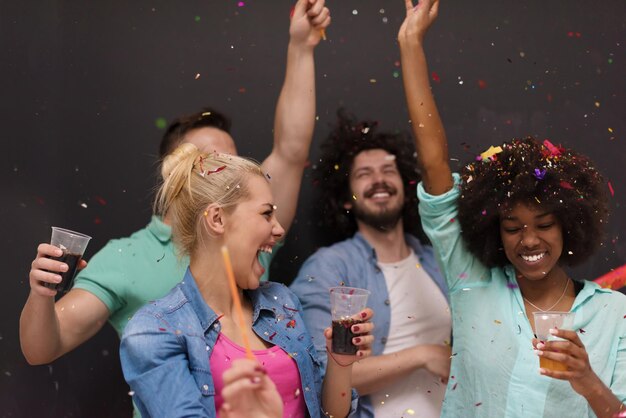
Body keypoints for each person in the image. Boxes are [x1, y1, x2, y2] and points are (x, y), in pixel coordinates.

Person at [21, 0, 328, 364]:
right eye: (214, 163)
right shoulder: (127, 258)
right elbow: (42, 349)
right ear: (176, 171)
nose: (229, 173)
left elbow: (291, 150)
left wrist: (301, 48)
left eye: (233, 162)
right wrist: (41, 293)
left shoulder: (250, 232)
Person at [398, 0, 626, 417]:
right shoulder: (471, 280)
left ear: (569, 227)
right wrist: (411, 44)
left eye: (544, 224)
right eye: (513, 227)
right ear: (493, 231)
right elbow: (433, 165)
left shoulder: (614, 314)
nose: (530, 240)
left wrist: (589, 383)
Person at [120, 142, 374, 418]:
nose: (278, 229)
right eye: (266, 213)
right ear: (217, 219)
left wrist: (340, 364)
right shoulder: (154, 330)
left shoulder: (281, 303)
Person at [290, 109, 451, 417]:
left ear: (405, 188)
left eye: (388, 171)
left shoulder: (436, 262)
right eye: (364, 174)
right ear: (347, 198)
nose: (379, 180)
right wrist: (422, 355)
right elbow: (321, 377)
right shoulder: (330, 266)